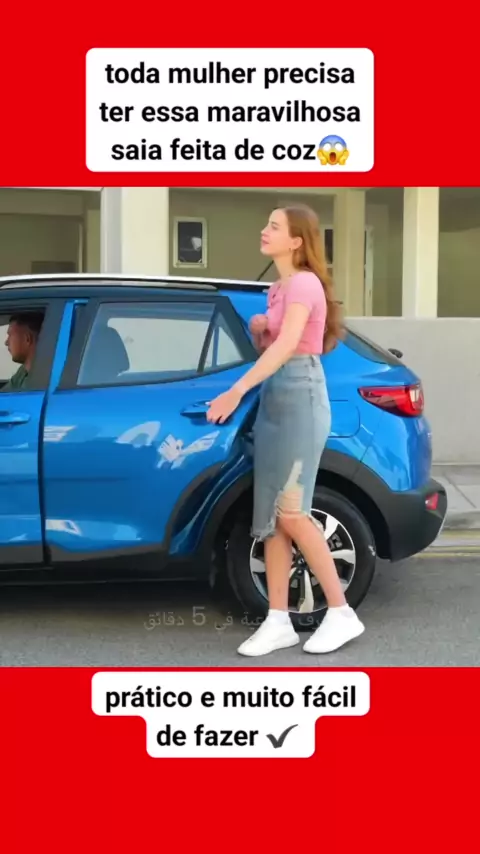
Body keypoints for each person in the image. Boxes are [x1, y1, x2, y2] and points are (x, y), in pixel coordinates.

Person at [206, 204, 365, 657]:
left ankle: (341, 613)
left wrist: (236, 391)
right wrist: (261, 330)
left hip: (300, 398)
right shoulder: (277, 289)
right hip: (276, 399)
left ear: (296, 240)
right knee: (273, 518)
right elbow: (275, 347)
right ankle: (278, 621)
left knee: (292, 513)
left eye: (273, 226)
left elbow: (292, 346)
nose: (264, 230)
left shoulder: (304, 283)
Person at [2, 312, 44, 391]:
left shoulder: (42, 378)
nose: (6, 342)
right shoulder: (23, 372)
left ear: (27, 339)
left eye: (10, 335)